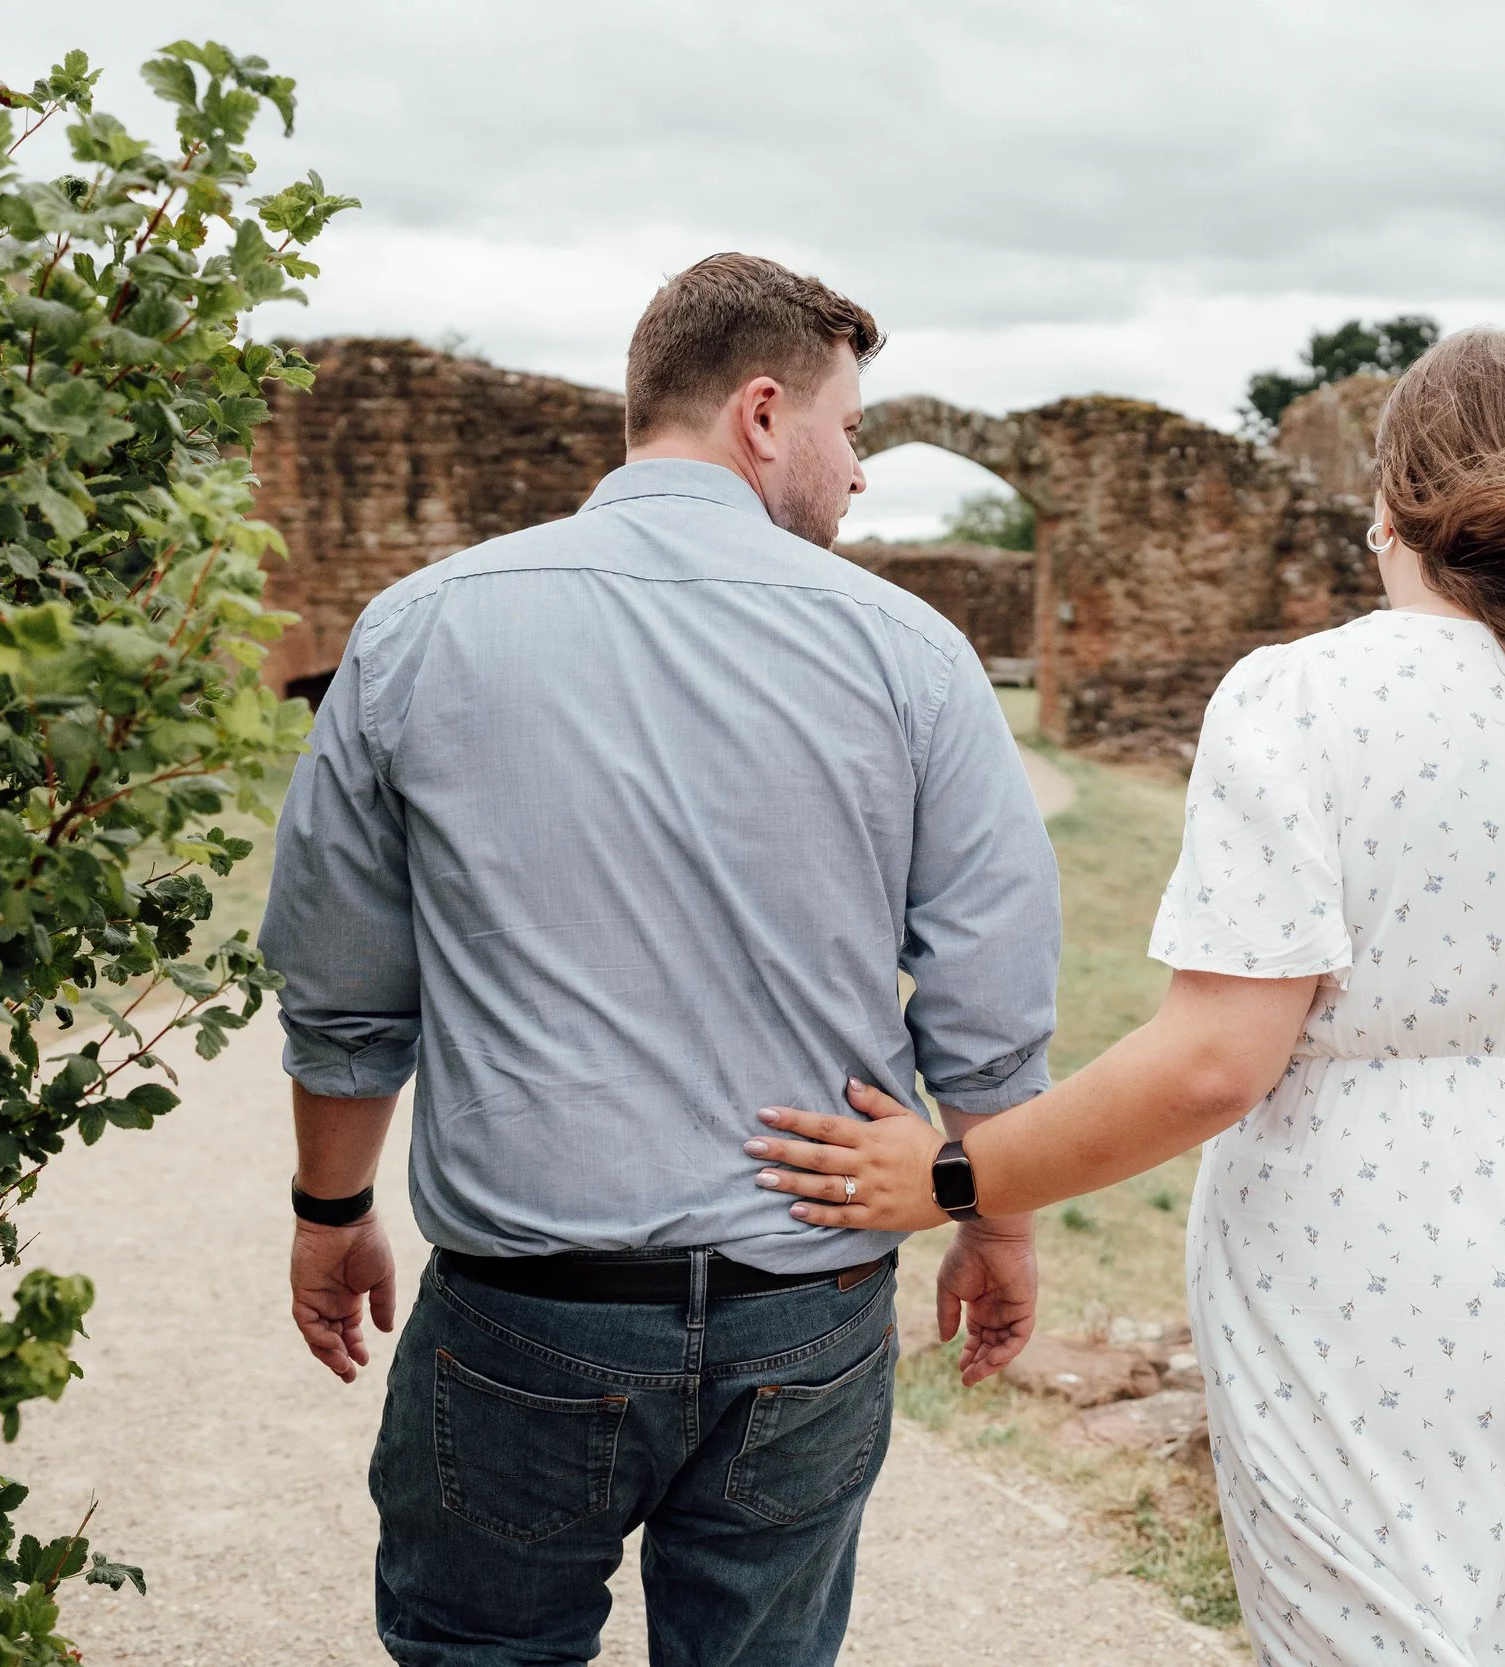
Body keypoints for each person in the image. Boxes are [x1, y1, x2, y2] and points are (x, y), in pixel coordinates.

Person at [745, 328, 1505, 1665]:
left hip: (1385, 1278)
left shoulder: (1310, 701)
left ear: (1391, 506)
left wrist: (949, 1173)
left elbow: (1216, 1061)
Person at [257, 253, 1061, 1667]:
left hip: (525, 1312)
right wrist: (995, 1223)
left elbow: (342, 989)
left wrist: (332, 1208)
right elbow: (989, 1008)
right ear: (764, 414)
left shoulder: (418, 631)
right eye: (850, 429)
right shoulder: (914, 655)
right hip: (803, 1313)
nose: (859, 472)